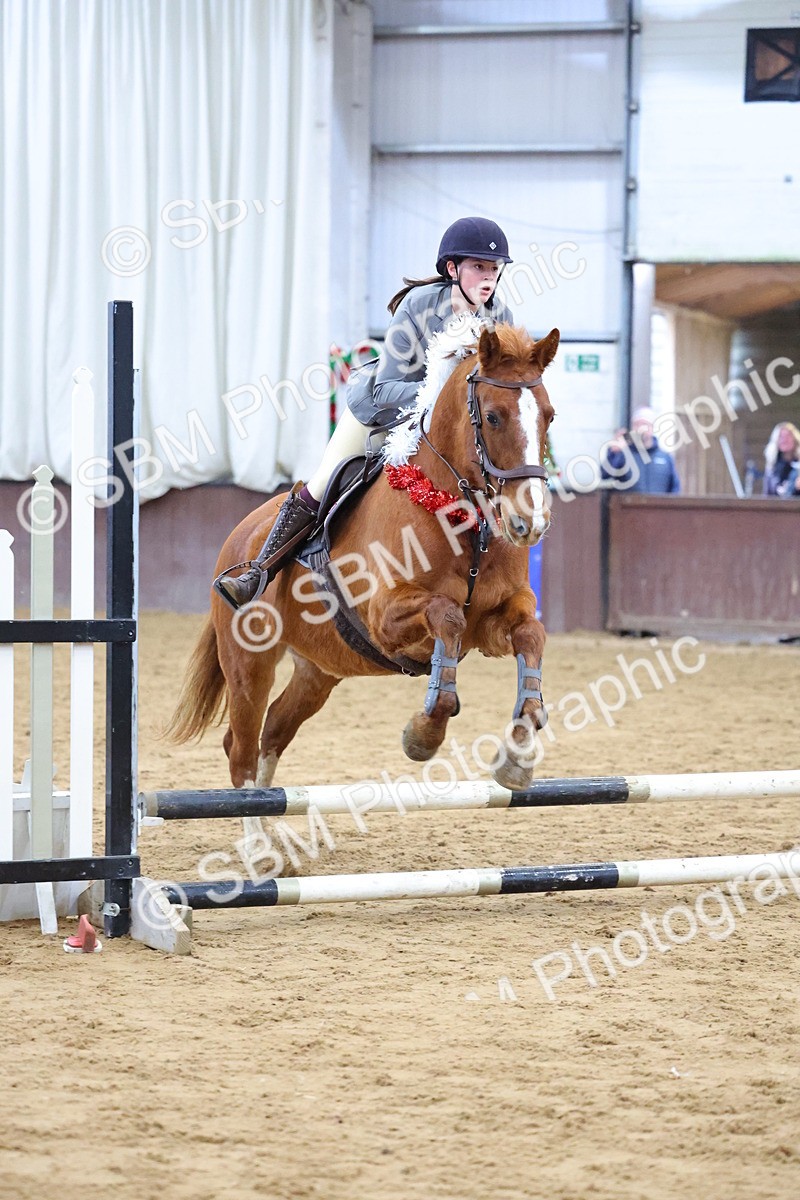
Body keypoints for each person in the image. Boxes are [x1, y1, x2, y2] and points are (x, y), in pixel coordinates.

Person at [216, 216, 515, 609]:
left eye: (494, 268)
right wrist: (446, 402)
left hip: (446, 431)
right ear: (452, 268)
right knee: (324, 481)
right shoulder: (419, 306)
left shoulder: (500, 318)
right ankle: (259, 571)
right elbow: (385, 388)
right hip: (381, 414)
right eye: (478, 266)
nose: (488, 277)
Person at [600, 406, 680, 494]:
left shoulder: (665, 457)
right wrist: (614, 453)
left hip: (657, 503)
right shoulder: (623, 454)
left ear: (652, 427)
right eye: (636, 425)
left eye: (644, 424)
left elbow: (674, 489)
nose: (640, 429)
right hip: (627, 503)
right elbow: (604, 475)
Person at [763, 422, 800, 497]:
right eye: (781, 437)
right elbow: (767, 494)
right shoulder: (772, 467)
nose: (784, 440)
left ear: (794, 439)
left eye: (788, 436)